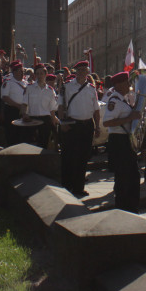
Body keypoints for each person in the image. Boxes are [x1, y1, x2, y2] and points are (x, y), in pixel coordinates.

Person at [58, 60, 100, 198]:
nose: (82, 73)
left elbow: (96, 109)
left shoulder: (91, 88)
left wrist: (97, 126)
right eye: (80, 70)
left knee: (83, 157)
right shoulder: (67, 86)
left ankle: (79, 187)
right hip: (72, 125)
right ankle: (66, 185)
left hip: (87, 125)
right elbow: (60, 106)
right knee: (69, 156)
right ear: (76, 72)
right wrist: (62, 123)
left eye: (84, 70)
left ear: (88, 72)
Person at [102, 71, 141, 213]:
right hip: (119, 141)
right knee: (123, 176)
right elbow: (107, 122)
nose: (129, 86)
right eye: (126, 83)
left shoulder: (123, 100)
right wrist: (130, 118)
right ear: (118, 85)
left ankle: (131, 206)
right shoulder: (114, 101)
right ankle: (123, 207)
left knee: (132, 175)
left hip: (125, 140)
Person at [22, 64, 59, 149]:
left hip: (45, 120)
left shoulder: (50, 90)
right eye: (37, 74)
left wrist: (53, 120)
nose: (39, 76)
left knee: (43, 144)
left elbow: (52, 109)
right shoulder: (29, 88)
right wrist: (24, 114)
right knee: (31, 145)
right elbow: (24, 103)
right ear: (35, 75)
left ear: (45, 74)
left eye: (41, 73)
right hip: (32, 119)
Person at [1, 61, 26, 145]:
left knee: (21, 134)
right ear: (14, 72)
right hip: (12, 110)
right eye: (20, 71)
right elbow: (5, 97)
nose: (22, 73)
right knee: (11, 133)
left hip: (23, 111)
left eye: (23, 71)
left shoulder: (25, 83)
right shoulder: (8, 82)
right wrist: (18, 105)